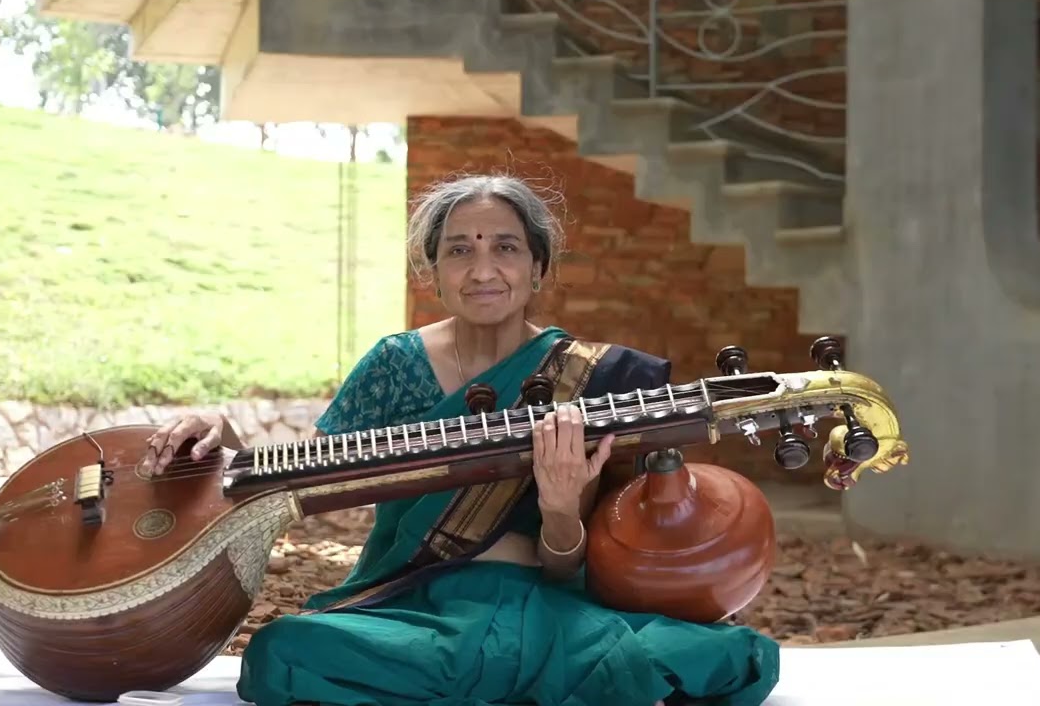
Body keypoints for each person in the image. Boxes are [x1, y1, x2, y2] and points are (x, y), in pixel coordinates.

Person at [140, 174, 780, 706]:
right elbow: (315, 470)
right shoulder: (395, 364)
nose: (482, 270)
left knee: (736, 658)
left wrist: (561, 508)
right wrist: (222, 439)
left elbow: (575, 566)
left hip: (545, 605)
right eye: (458, 250)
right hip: (409, 604)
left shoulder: (597, 379)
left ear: (537, 267)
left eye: (504, 248)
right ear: (433, 271)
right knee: (283, 654)